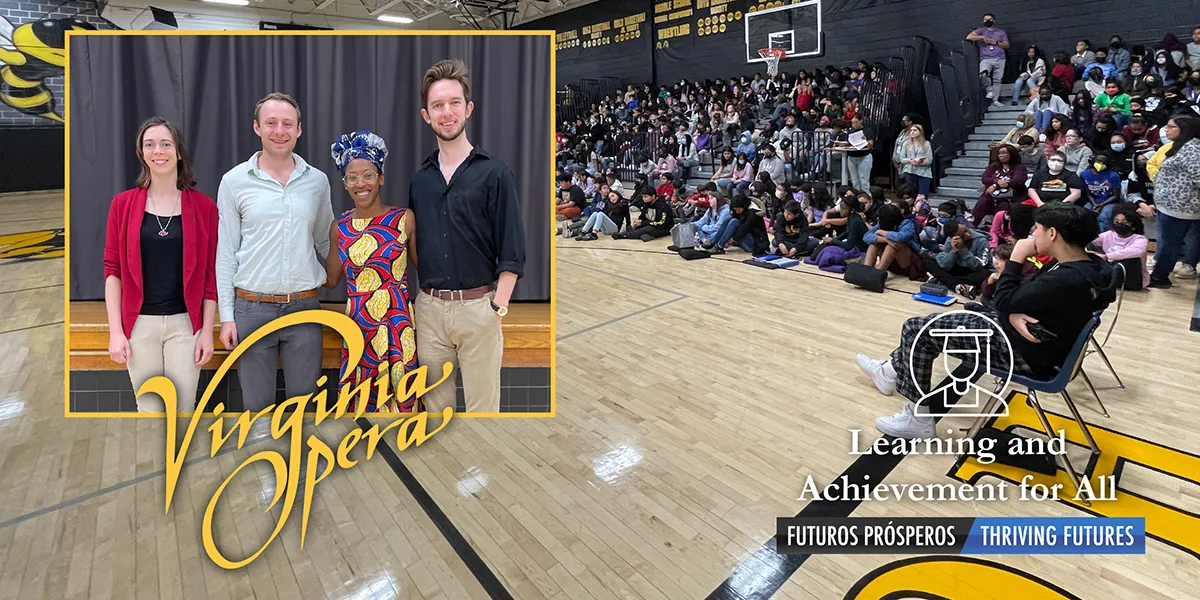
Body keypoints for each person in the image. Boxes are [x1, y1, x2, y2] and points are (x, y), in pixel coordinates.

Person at [858, 203, 1115, 440]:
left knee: (916, 329)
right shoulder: (1092, 266)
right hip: (1036, 340)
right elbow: (1017, 299)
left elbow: (1003, 300)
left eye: (1036, 229)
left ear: (1052, 234)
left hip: (1025, 353)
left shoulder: (1066, 279)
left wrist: (1016, 258)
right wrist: (1012, 313)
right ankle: (890, 371)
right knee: (936, 321)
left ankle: (918, 419)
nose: (1032, 234)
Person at [409, 59, 527, 414]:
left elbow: (512, 244)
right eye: (437, 106)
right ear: (426, 115)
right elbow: (418, 244)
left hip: (479, 309)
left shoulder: (495, 173)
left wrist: (498, 306)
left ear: (468, 108)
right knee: (434, 415)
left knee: (483, 414)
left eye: (454, 103)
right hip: (429, 311)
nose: (447, 112)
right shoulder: (420, 179)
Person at [216, 93, 333, 412]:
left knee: (304, 408)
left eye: (287, 124)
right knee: (257, 410)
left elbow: (327, 242)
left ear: (299, 130)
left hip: (304, 308)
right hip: (252, 310)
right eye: (271, 123)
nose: (279, 130)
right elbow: (226, 252)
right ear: (257, 127)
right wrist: (227, 316)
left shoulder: (318, 182)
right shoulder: (234, 181)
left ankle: (300, 463)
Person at [104, 117, 218, 412]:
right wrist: (116, 331)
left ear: (178, 152)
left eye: (166, 144)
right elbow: (112, 271)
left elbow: (209, 275)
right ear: (142, 153)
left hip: (185, 325)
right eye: (150, 144)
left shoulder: (205, 207)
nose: (158, 151)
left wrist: (206, 331)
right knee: (150, 411)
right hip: (139, 326)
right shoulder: (122, 204)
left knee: (182, 411)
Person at [322, 130, 417, 412]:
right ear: (345, 183)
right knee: (361, 405)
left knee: (402, 403)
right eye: (352, 177)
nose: (360, 183)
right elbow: (331, 279)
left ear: (381, 178)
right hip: (359, 327)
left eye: (368, 175)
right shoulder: (340, 228)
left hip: (398, 325)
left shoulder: (404, 219)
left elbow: (427, 269)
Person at [1147, 116, 1200, 289]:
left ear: (1184, 129)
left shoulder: (1192, 149)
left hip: (1181, 207)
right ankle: (1160, 271)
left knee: (1171, 243)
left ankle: (1160, 277)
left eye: (1171, 127)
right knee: (1169, 241)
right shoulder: (1181, 145)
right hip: (1170, 205)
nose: (1166, 130)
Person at [922, 221, 994, 298]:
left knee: (987, 274)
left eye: (962, 227)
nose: (963, 228)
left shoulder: (981, 240)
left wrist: (963, 250)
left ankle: (943, 281)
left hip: (972, 271)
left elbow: (981, 265)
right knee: (926, 258)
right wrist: (953, 251)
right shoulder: (951, 239)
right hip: (956, 268)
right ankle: (957, 286)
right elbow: (944, 265)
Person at [1092, 203, 1149, 290]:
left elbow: (1137, 251)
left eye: (1124, 222)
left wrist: (1107, 256)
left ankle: (1100, 280)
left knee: (1127, 261)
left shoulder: (1140, 239)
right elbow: (1090, 240)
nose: (1119, 224)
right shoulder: (1109, 234)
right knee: (1089, 245)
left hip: (1132, 280)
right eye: (1116, 221)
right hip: (1111, 271)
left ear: (1133, 226)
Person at [973, 144, 1027, 224]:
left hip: (1012, 195)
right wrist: (997, 182)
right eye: (999, 153)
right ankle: (973, 224)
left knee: (1003, 205)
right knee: (983, 201)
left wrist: (996, 185)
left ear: (1012, 154)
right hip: (993, 194)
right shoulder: (994, 166)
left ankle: (1000, 229)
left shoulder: (1019, 167)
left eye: (1004, 153)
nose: (1001, 155)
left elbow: (1017, 181)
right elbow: (985, 179)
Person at [967, 13, 1009, 106]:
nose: (987, 21)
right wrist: (982, 37)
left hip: (1000, 58)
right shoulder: (981, 30)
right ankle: (989, 90)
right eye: (985, 20)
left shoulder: (1001, 32)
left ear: (994, 20)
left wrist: (995, 42)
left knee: (998, 80)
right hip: (986, 58)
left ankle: (995, 100)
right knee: (983, 74)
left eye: (989, 19)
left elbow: (1006, 45)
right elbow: (969, 37)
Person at [1079, 152, 1123, 230]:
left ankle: (1101, 238)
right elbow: (1088, 193)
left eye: (1104, 162)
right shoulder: (1084, 175)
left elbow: (1116, 196)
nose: (1100, 164)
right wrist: (1095, 204)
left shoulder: (1113, 176)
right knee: (1084, 214)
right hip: (1093, 201)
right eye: (1098, 161)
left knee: (1104, 217)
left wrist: (1101, 205)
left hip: (1110, 202)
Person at [894, 124, 933, 197]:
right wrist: (911, 161)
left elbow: (929, 160)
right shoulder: (906, 144)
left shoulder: (926, 144)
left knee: (922, 195)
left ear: (920, 132)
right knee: (912, 194)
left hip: (923, 172)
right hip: (910, 171)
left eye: (915, 130)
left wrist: (918, 162)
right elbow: (902, 159)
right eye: (911, 130)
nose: (912, 132)